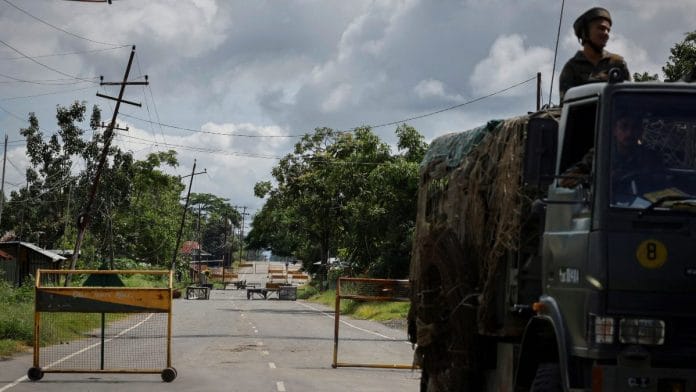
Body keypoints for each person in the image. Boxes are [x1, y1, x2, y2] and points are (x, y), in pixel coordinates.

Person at [559, 115, 663, 188]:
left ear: (640, 131)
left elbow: (663, 183)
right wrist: (599, 180)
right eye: (624, 126)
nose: (629, 133)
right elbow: (565, 180)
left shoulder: (650, 157)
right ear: (614, 130)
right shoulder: (600, 155)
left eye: (634, 128)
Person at [559, 7, 630, 102]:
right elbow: (566, 105)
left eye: (608, 30)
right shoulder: (572, 68)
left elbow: (630, 98)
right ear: (585, 33)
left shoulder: (617, 63)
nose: (606, 34)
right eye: (601, 28)